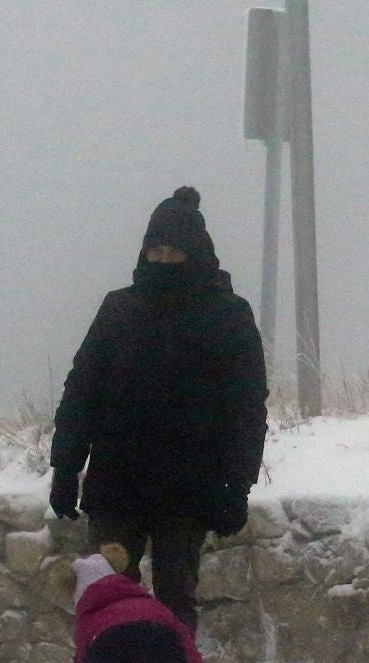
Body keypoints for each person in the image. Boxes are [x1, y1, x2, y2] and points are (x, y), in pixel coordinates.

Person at [48, 185, 269, 633]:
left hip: (187, 492)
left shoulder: (227, 315)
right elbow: (82, 391)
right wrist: (65, 467)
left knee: (175, 607)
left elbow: (246, 408)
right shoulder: (118, 310)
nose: (163, 258)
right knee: (107, 601)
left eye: (174, 250)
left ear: (196, 250)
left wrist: (237, 484)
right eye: (155, 249)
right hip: (116, 485)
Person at [71, 543, 229, 663]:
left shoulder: (90, 615)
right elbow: (191, 657)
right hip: (156, 634)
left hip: (105, 643)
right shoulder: (148, 604)